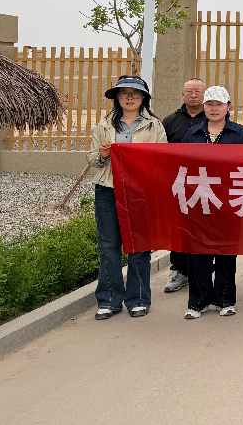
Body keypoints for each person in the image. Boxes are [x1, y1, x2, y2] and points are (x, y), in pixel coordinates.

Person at [87, 76, 167, 320]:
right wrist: (103, 154)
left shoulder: (154, 126)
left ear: (143, 98)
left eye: (135, 93)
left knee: (139, 245)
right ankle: (109, 300)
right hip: (108, 190)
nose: (130, 98)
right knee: (108, 245)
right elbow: (92, 159)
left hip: (140, 192)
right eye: (124, 93)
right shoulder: (104, 125)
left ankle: (138, 299)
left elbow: (162, 159)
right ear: (117, 98)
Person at [180, 86, 243, 319]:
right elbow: (183, 166)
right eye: (209, 104)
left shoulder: (239, 133)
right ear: (204, 106)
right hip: (198, 201)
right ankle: (197, 302)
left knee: (226, 253)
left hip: (228, 202)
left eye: (219, 104)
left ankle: (225, 300)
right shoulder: (193, 133)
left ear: (228, 107)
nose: (214, 109)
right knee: (197, 253)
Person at [161, 77, 207, 294]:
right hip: (178, 183)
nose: (194, 95)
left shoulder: (213, 119)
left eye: (198, 91)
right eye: (189, 91)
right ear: (183, 95)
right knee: (178, 229)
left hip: (206, 183)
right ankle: (179, 270)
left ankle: (203, 271)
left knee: (204, 228)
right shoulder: (170, 121)